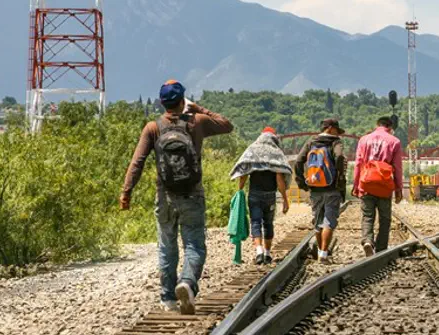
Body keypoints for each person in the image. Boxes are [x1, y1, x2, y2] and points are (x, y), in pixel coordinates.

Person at [120, 80, 233, 314]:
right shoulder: (197, 122)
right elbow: (227, 125)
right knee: (194, 244)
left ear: (162, 103)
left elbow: (137, 162)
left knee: (167, 246)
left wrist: (126, 192)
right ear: (183, 101)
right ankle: (188, 283)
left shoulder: (153, 128)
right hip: (192, 194)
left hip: (165, 196)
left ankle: (168, 298)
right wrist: (199, 109)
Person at [230, 127, 292, 264]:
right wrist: (285, 200)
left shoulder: (252, 150)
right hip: (270, 196)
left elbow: (244, 172)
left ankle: (259, 252)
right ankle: (268, 254)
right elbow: (280, 180)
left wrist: (239, 190)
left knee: (255, 222)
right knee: (268, 223)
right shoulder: (276, 153)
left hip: (254, 195)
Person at [294, 119, 347, 264]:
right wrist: (340, 178)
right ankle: (324, 254)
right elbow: (340, 158)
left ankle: (319, 252)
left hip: (315, 188)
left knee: (318, 222)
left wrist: (302, 182)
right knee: (329, 221)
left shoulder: (311, 142)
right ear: (330, 128)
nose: (338, 133)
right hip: (332, 188)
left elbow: (298, 161)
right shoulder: (336, 142)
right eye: (336, 130)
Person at [353, 116, 404, 256]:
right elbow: (397, 167)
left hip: (367, 182)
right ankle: (381, 249)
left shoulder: (364, 140)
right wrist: (398, 188)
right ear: (390, 127)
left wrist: (356, 184)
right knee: (385, 218)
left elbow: (358, 164)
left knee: (367, 216)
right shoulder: (395, 141)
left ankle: (368, 241)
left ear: (377, 125)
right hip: (384, 184)